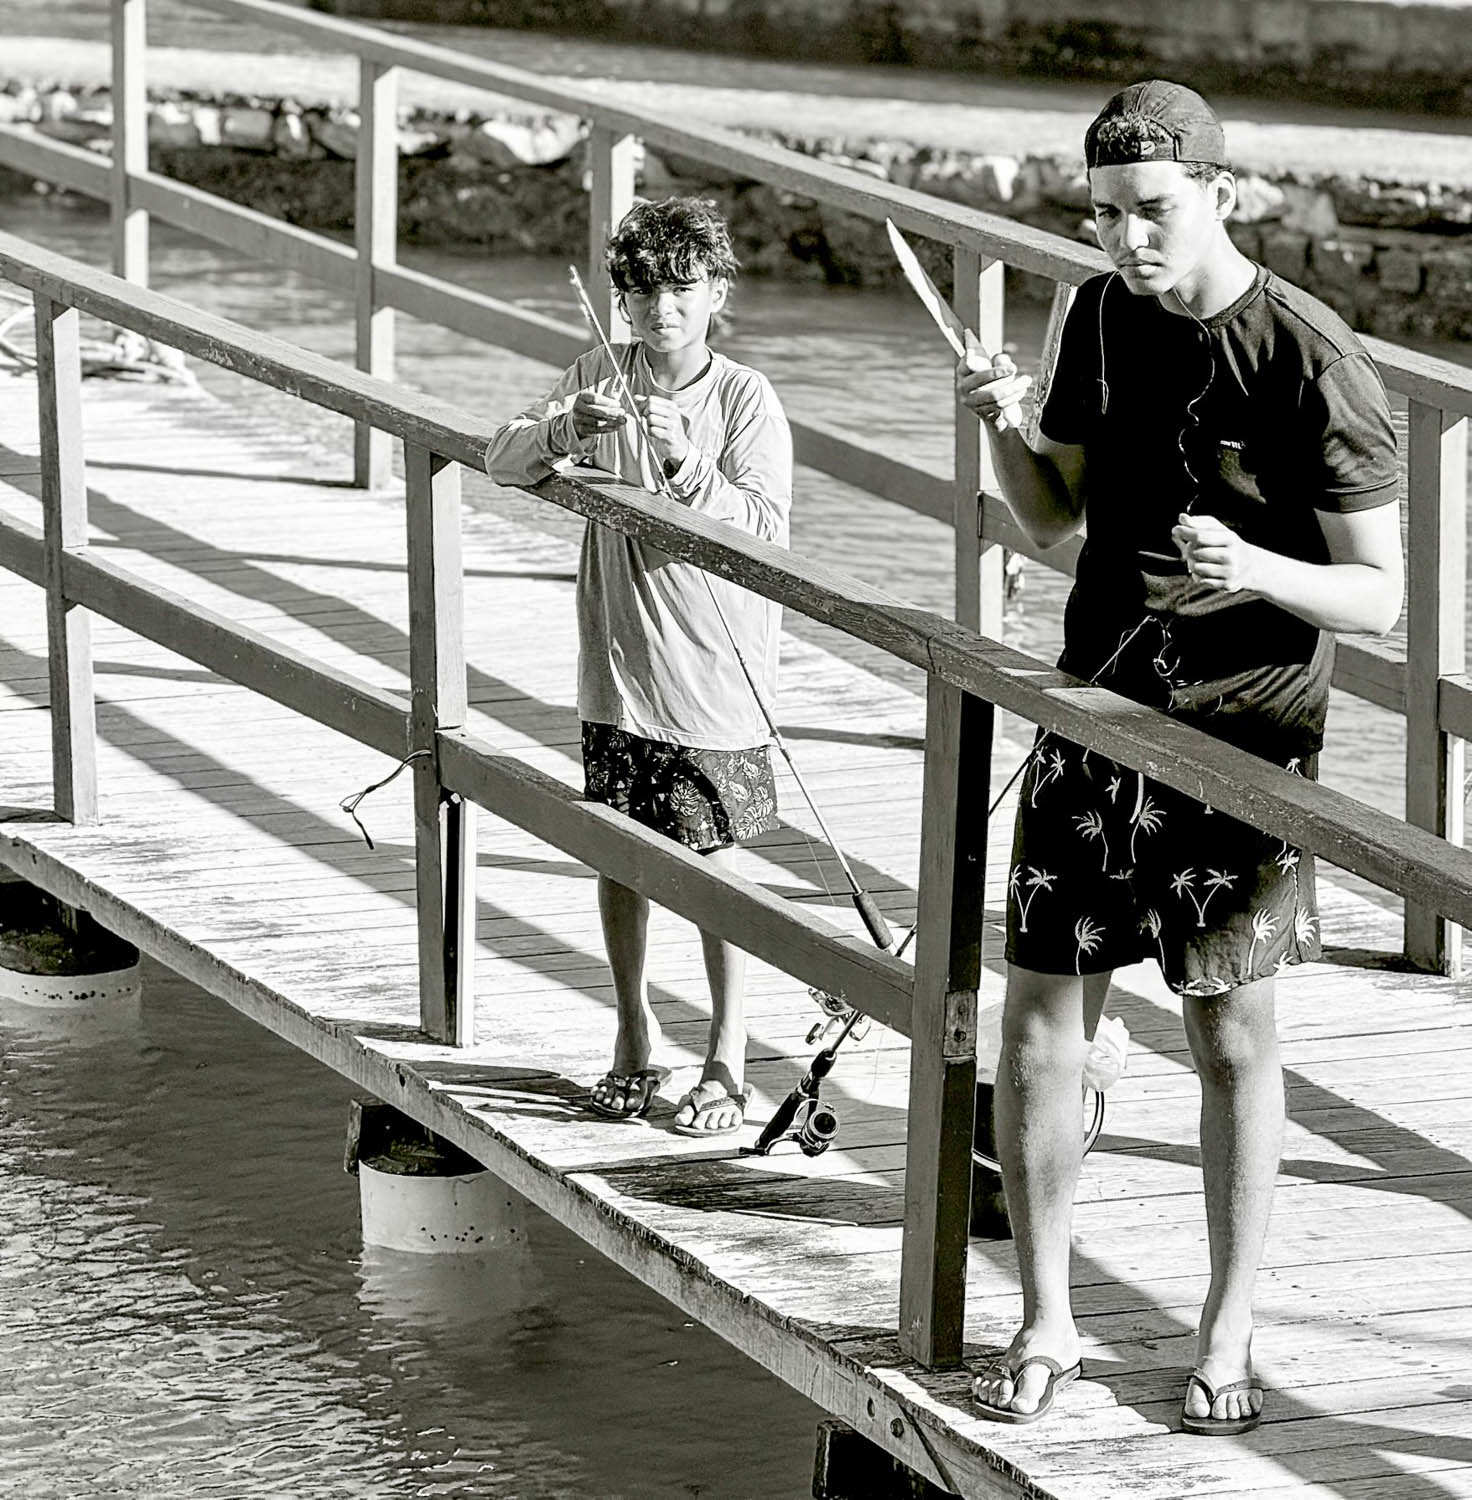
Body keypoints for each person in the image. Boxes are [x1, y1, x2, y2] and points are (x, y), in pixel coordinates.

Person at [957, 81, 1403, 1434]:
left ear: (1223, 193)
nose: (1125, 244)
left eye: (1151, 214)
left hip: (1246, 738)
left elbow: (1381, 598)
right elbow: (1048, 525)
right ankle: (1046, 1323)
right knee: (1037, 1029)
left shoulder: (1315, 363)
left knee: (1229, 1039)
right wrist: (998, 421)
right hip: (1095, 714)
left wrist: (1260, 563)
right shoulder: (1093, 313)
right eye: (1102, 217)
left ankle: (1228, 1336)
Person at [485, 197, 793, 1138]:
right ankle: (632, 1033)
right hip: (613, 671)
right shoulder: (596, 371)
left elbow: (767, 531)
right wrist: (567, 428)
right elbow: (501, 460)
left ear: (717, 295)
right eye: (643, 288)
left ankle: (729, 1058)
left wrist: (688, 462)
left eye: (682, 287)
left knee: (716, 868)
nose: (663, 307)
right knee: (621, 855)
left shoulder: (745, 398)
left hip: (712, 680)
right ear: (620, 300)